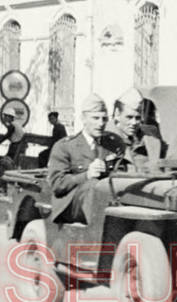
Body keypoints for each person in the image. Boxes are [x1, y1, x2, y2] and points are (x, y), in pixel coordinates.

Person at [47, 94, 127, 227]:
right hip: (72, 204)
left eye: (104, 118)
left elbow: (121, 173)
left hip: (106, 201)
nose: (101, 123)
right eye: (95, 118)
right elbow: (56, 184)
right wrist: (86, 175)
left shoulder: (113, 144)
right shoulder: (65, 146)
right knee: (95, 185)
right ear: (83, 119)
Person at [112, 87, 163, 162]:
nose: (134, 123)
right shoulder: (105, 140)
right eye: (129, 117)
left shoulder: (150, 138)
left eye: (137, 118)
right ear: (117, 114)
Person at [0, 111, 26, 183]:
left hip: (14, 147)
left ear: (10, 117)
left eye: (6, 116)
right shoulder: (17, 125)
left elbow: (7, 135)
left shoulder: (12, 125)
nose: (4, 118)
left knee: (0, 161)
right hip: (17, 146)